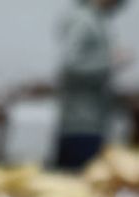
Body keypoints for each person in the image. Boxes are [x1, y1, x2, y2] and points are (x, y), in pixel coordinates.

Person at [55, 0, 130, 171]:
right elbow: (70, 66)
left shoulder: (96, 19)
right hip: (80, 122)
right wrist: (110, 61)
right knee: (77, 185)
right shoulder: (83, 19)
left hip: (92, 119)